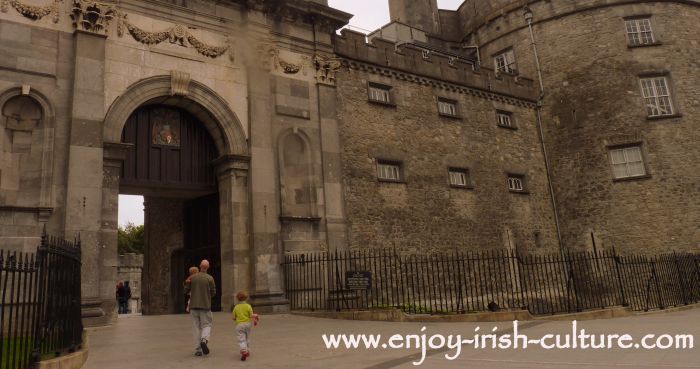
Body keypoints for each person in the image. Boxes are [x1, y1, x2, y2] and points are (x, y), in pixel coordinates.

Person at [184, 260, 216, 357]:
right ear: (208, 267)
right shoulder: (210, 278)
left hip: (193, 306)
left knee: (196, 328)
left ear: (200, 266)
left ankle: (198, 350)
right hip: (205, 306)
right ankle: (204, 340)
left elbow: (186, 291)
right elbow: (213, 292)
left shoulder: (192, 278)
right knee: (206, 325)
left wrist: (187, 283)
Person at [232, 291, 257, 361]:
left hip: (239, 325)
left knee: (241, 338)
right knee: (247, 337)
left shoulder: (236, 307)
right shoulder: (248, 306)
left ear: (237, 299)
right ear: (246, 298)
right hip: (247, 324)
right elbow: (251, 315)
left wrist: (236, 318)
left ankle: (244, 350)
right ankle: (248, 350)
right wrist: (256, 317)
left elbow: (233, 318)